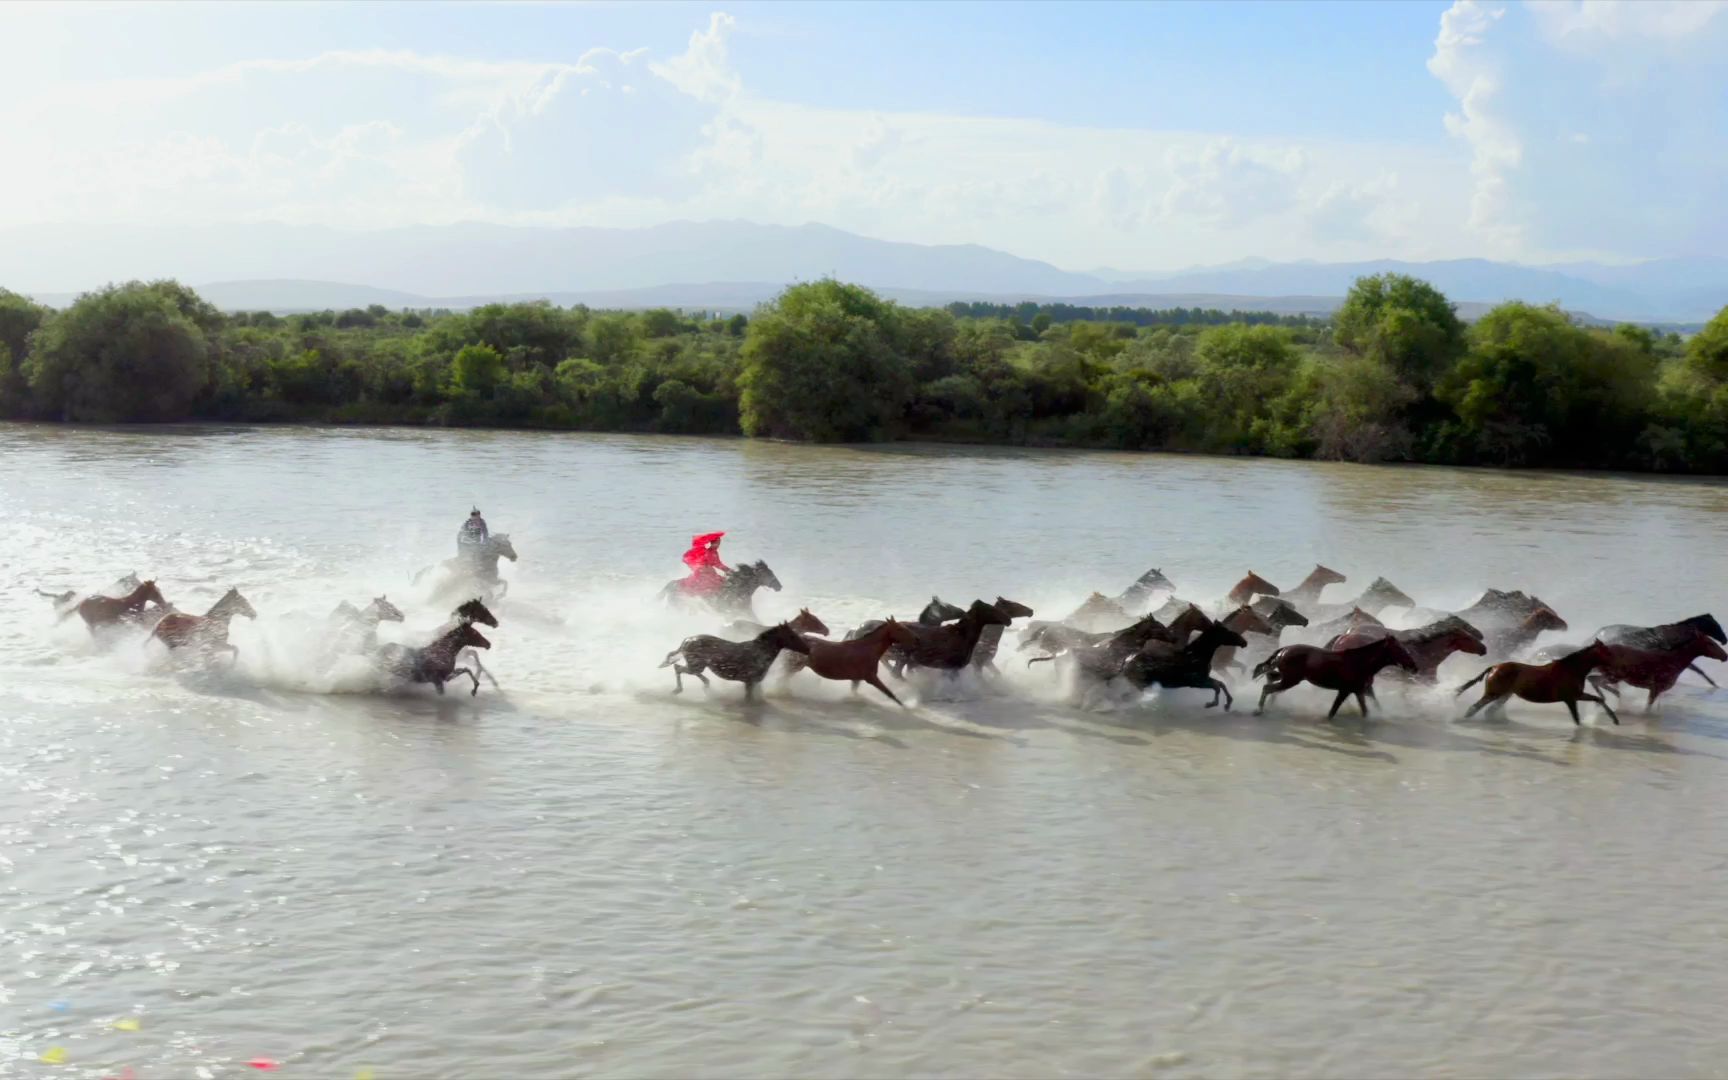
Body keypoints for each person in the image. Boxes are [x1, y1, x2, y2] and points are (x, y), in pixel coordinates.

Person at [681, 531, 731, 596]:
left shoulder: (713, 552)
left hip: (711, 574)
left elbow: (719, 564)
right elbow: (718, 564)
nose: (718, 544)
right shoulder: (704, 551)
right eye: (717, 542)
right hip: (702, 574)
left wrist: (729, 570)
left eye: (719, 542)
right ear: (713, 543)